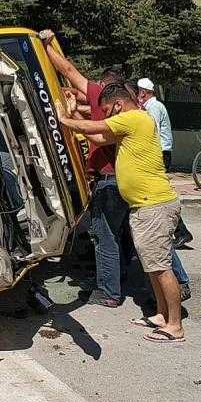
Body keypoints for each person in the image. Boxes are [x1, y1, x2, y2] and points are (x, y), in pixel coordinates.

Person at [56, 83, 186, 343]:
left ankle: (175, 325)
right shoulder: (130, 125)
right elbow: (97, 137)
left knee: (160, 267)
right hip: (143, 206)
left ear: (118, 105)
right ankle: (161, 314)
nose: (104, 117)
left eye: (106, 111)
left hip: (154, 205)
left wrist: (63, 117)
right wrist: (76, 117)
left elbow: (90, 129)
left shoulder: (134, 117)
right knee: (152, 266)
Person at [39, 29, 128, 307]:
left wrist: (43, 47)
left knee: (105, 236)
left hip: (109, 180)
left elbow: (67, 69)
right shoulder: (124, 109)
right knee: (124, 233)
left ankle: (109, 291)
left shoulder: (101, 96)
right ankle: (117, 278)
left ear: (106, 87)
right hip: (121, 178)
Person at [136, 78, 194, 248]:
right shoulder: (152, 106)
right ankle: (179, 232)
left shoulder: (153, 107)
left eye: (138, 92)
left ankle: (181, 232)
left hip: (159, 153)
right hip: (160, 153)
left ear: (143, 92)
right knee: (156, 193)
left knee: (158, 194)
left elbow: (151, 132)